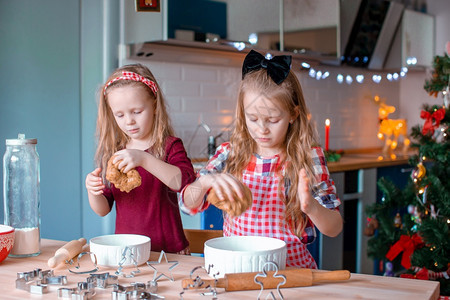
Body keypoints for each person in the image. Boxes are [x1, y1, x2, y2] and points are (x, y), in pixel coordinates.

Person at [179, 50, 343, 268]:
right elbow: (186, 202)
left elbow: (334, 228)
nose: (261, 129)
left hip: (290, 271)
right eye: (253, 118)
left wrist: (310, 206)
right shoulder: (230, 153)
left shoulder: (307, 158)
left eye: (273, 120)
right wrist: (205, 182)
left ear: (293, 115)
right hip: (237, 268)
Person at [85, 64, 196, 254]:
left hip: (168, 253)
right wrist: (93, 191)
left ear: (154, 105)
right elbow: (103, 209)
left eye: (137, 112)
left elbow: (182, 183)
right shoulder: (115, 153)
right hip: (127, 252)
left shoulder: (170, 146)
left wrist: (144, 159)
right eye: (119, 115)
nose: (129, 121)